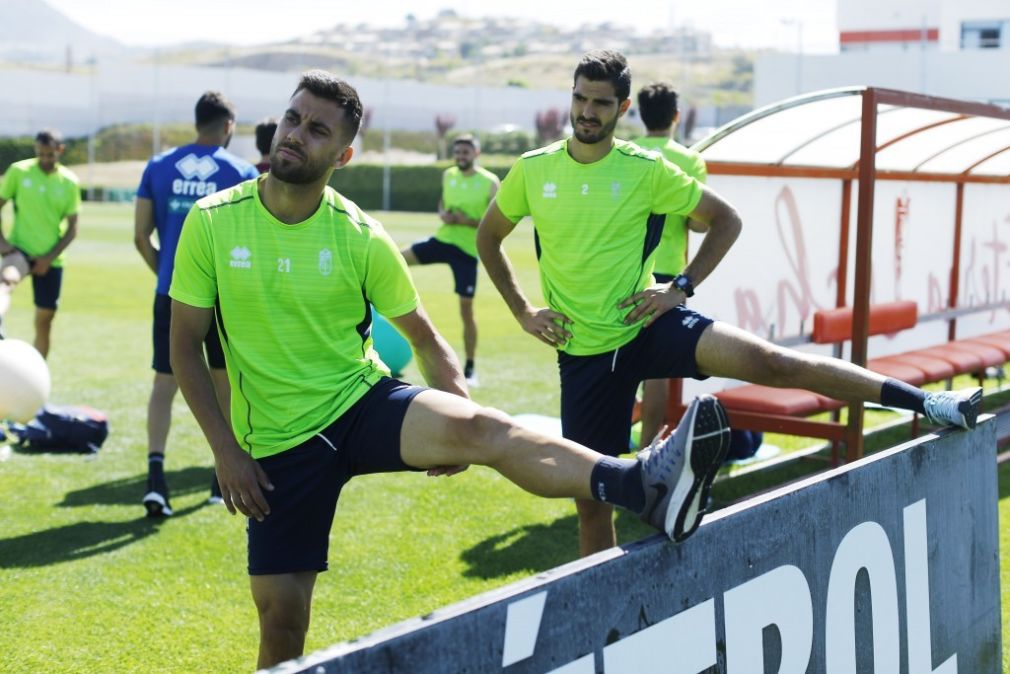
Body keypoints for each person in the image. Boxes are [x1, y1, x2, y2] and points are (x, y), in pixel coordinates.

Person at [170, 70, 733, 669]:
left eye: (316, 129)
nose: (295, 135)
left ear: (344, 153)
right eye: (292, 119)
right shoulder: (213, 221)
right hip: (278, 443)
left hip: (359, 404)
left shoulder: (360, 235)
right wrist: (225, 450)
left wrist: (458, 405)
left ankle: (641, 485)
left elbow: (425, 338)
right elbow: (185, 345)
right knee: (283, 623)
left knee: (483, 428)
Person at [476, 49, 982, 558]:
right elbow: (488, 237)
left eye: (601, 103)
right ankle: (605, 623)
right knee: (592, 504)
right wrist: (524, 311)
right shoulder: (532, 169)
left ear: (623, 107)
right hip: (583, 354)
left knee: (773, 361)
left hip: (648, 324)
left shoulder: (646, 170)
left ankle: (930, 403)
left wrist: (679, 288)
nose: (587, 112)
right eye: (580, 98)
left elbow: (727, 219)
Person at [134, 91, 259, 517]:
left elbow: (140, 237)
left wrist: (170, 279)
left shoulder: (158, 166)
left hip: (171, 295)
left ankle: (155, 480)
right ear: (227, 126)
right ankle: (216, 479)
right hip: (224, 298)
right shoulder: (241, 171)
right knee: (224, 384)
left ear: (197, 121)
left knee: (164, 384)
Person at [632, 81, 710, 451]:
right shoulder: (690, 159)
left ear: (639, 114)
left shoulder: (626, 152)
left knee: (613, 359)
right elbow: (698, 221)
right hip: (666, 278)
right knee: (656, 372)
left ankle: (604, 450)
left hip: (624, 270)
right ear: (676, 116)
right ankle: (647, 451)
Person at [400, 134, 499, 386]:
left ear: (476, 154)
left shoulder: (490, 182)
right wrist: (444, 214)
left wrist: (467, 222)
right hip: (442, 241)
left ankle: (470, 368)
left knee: (466, 310)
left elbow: (494, 224)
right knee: (397, 258)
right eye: (458, 152)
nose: (460, 156)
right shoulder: (449, 175)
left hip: (466, 252)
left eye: (466, 152)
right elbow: (443, 203)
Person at [0, 130, 80, 355]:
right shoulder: (18, 171)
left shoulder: (69, 182)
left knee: (44, 321)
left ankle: (37, 375)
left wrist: (48, 258)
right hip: (20, 250)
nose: (45, 159)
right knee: (6, 282)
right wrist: (3, 244)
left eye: (49, 155)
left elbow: (73, 227)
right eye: (40, 154)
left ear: (59, 151)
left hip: (51, 257)